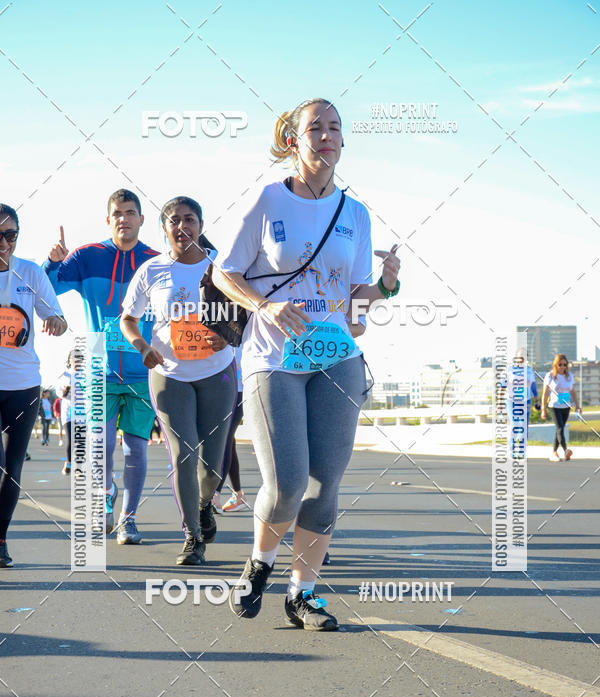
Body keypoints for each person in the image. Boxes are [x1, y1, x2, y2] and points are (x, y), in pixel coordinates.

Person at [213, 97, 400, 630]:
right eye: (314, 127)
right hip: (273, 355)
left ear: (343, 140)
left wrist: (386, 287)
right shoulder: (268, 201)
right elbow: (226, 272)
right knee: (288, 482)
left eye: (335, 127)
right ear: (293, 140)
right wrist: (265, 305)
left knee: (325, 487)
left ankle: (304, 594)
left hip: (336, 355)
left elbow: (354, 308)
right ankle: (260, 562)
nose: (326, 135)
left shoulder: (355, 214)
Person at [121, 195, 236, 566]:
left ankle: (204, 504)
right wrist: (141, 346)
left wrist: (228, 335)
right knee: (183, 455)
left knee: (213, 465)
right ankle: (192, 536)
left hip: (217, 373)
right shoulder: (152, 270)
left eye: (189, 219)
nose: (182, 226)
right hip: (169, 376)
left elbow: (247, 315)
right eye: (174, 220)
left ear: (200, 225)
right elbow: (128, 318)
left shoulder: (222, 267)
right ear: (164, 228)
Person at [43, 189, 159, 544]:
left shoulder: (156, 262)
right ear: (108, 220)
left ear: (141, 219)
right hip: (98, 364)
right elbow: (46, 290)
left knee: (135, 449)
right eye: (117, 213)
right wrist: (52, 262)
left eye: (130, 212)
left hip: (143, 367)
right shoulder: (86, 257)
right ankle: (105, 494)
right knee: (101, 444)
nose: (124, 218)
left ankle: (129, 518)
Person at [0, 203, 67, 567]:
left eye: (11, 235)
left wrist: (56, 323)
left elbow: (56, 316)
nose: (5, 243)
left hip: (24, 384)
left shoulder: (29, 273)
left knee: (12, 467)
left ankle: (0, 539)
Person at [213, 346, 247, 514]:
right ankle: (238, 494)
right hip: (221, 380)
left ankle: (215, 493)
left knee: (224, 438)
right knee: (229, 440)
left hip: (239, 385)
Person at [541, 353, 581, 461]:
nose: (562, 367)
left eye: (564, 364)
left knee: (560, 429)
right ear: (556, 365)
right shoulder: (550, 376)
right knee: (560, 428)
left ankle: (554, 453)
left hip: (566, 406)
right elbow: (545, 393)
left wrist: (578, 406)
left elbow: (573, 392)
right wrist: (543, 409)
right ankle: (565, 450)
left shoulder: (569, 376)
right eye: (560, 364)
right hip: (554, 406)